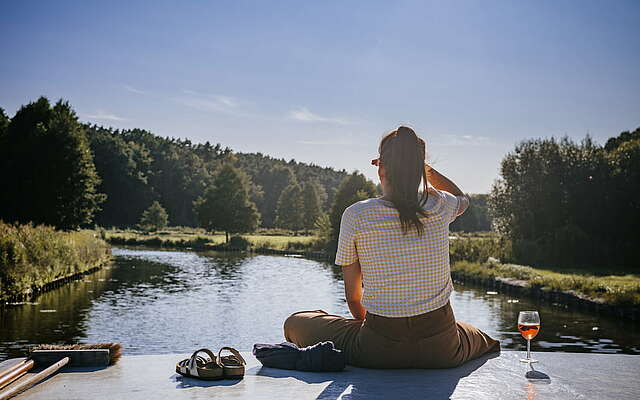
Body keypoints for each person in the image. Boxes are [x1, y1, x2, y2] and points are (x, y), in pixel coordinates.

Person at [283, 126, 500, 368]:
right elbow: (462, 198)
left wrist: (385, 332)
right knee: (481, 337)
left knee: (295, 323)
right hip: (442, 350)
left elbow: (354, 298)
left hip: (377, 351)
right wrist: (421, 166)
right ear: (419, 168)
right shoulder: (440, 204)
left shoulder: (356, 215)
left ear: (381, 168)